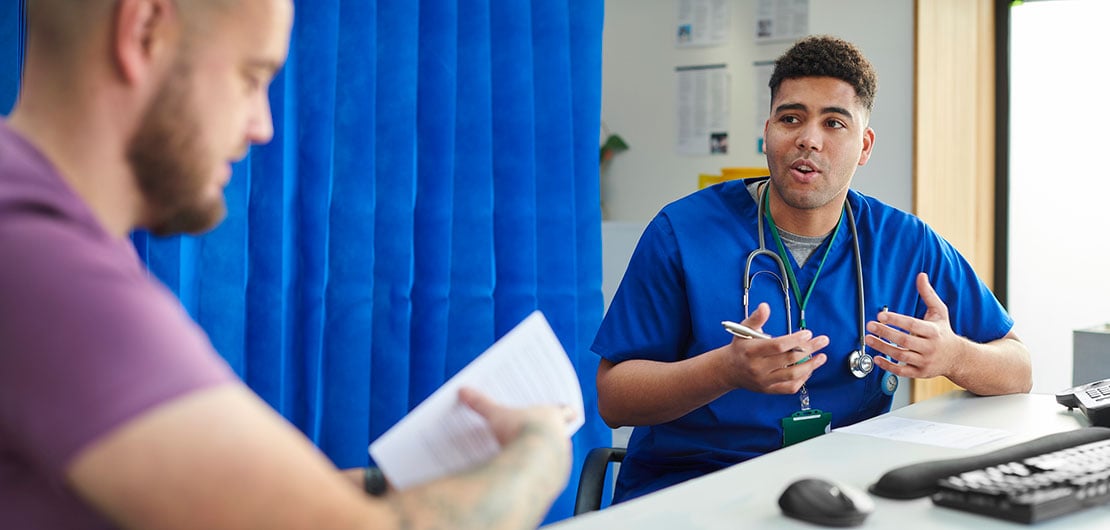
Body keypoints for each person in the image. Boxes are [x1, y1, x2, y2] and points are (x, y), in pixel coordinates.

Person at [0, 1, 573, 529]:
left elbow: (221, 493)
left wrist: (389, 479)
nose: (263, 126)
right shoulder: (41, 263)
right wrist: (539, 452)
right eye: (251, 78)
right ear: (144, 30)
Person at [592, 35, 1032, 503]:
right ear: (768, 132)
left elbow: (1018, 369)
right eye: (791, 118)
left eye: (834, 122)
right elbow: (614, 399)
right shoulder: (682, 232)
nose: (809, 138)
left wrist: (954, 357)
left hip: (839, 491)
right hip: (691, 490)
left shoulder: (904, 244)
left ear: (864, 146)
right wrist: (724, 370)